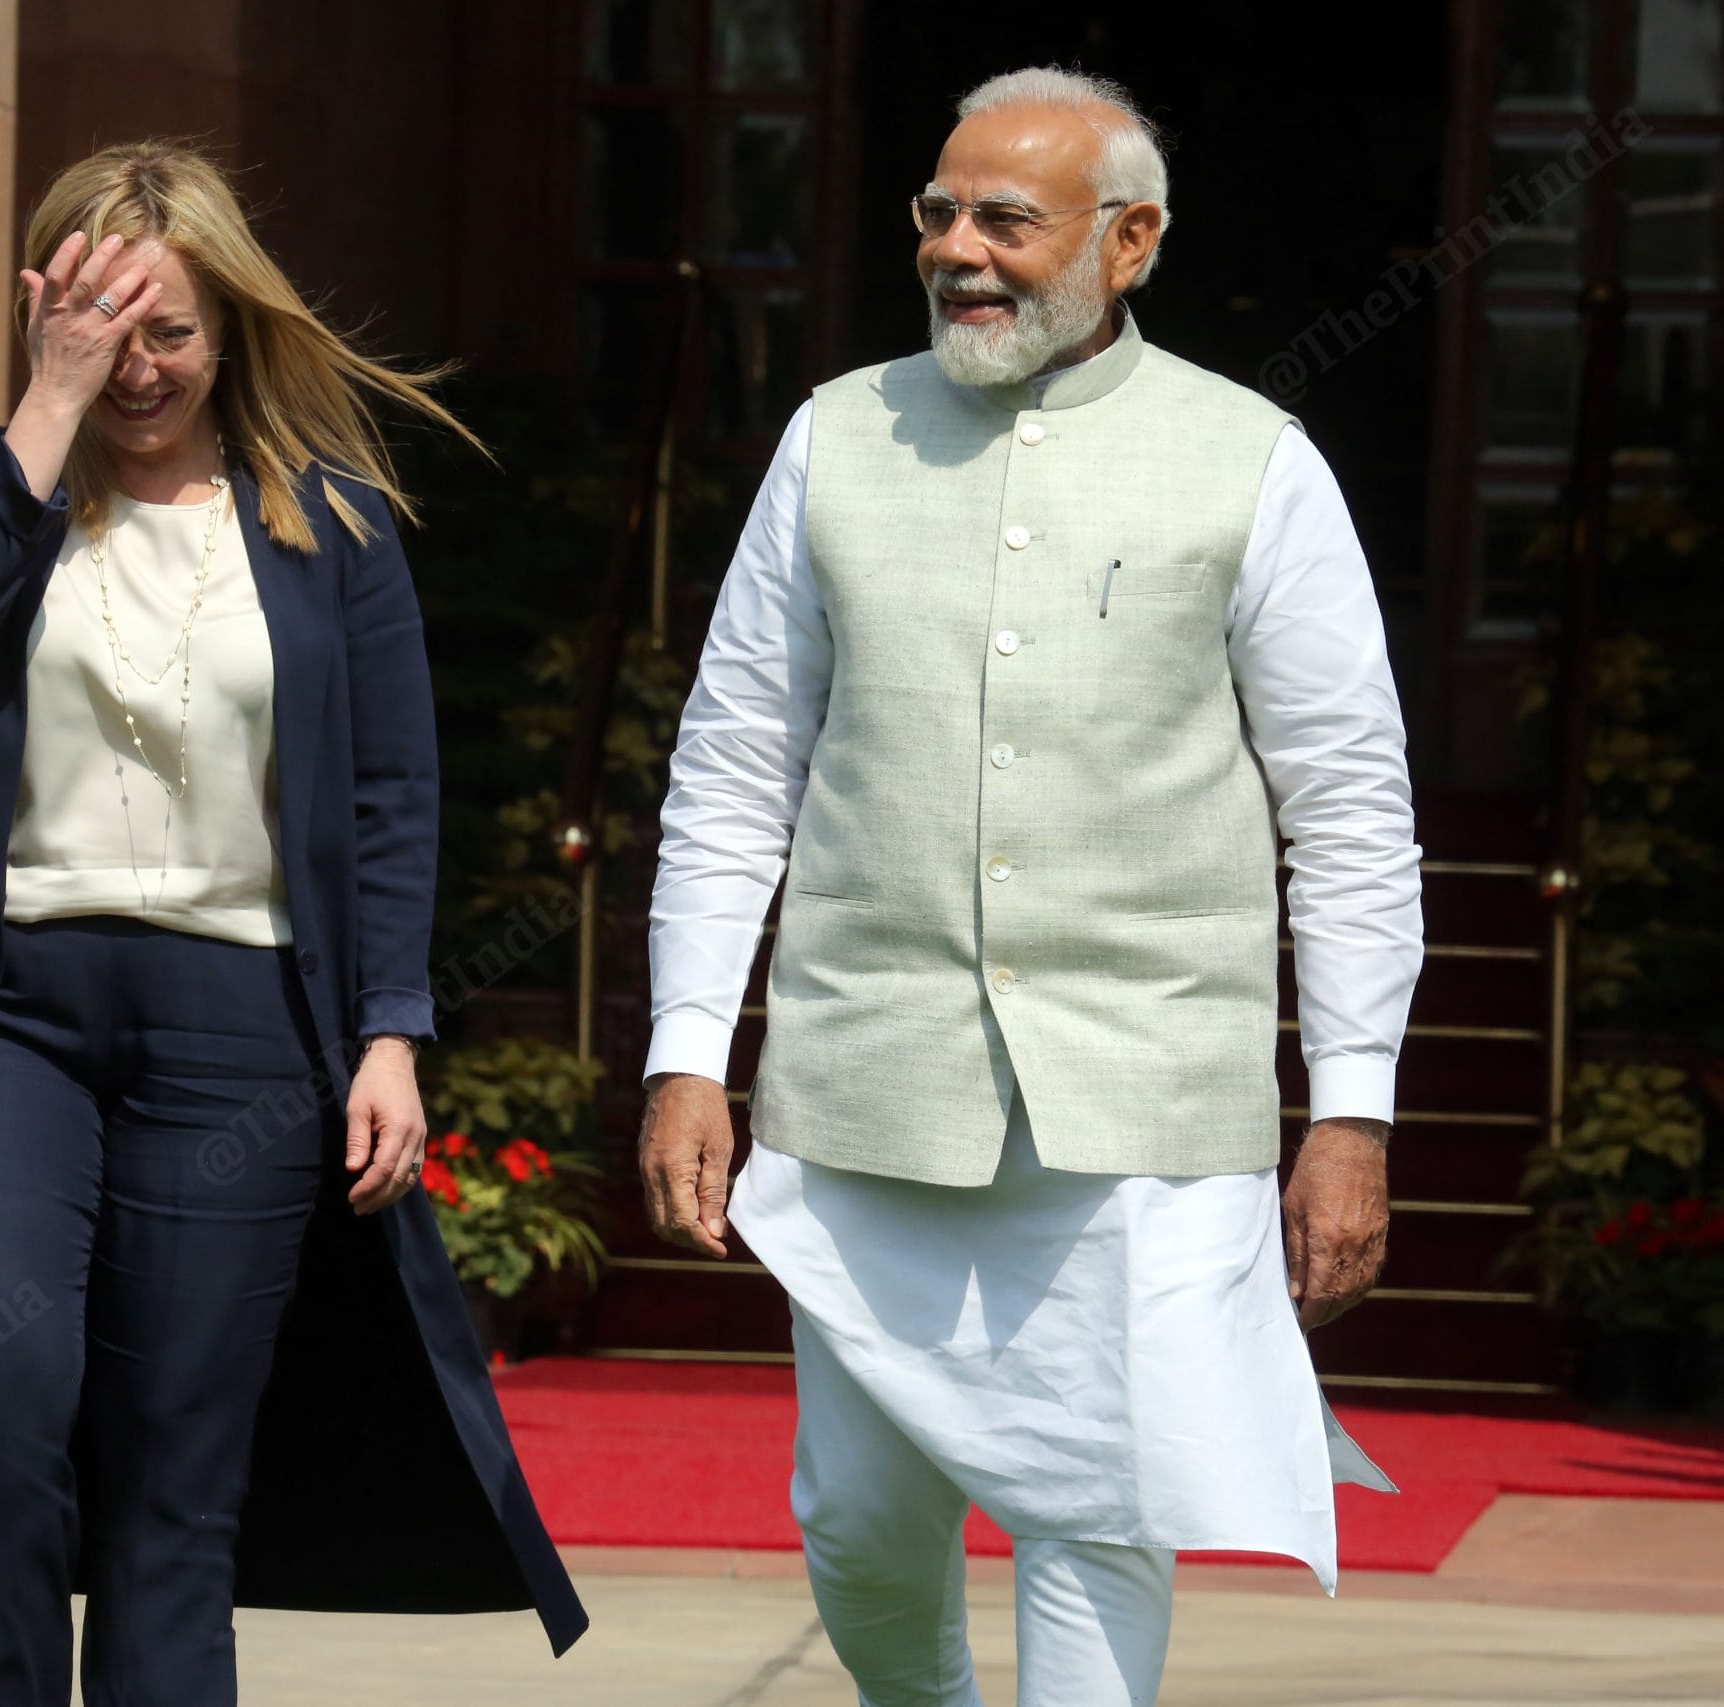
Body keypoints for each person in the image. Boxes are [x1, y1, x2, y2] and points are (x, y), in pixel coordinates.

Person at [639, 65, 1421, 1706]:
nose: (958, 250)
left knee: (1099, 1524)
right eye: (939, 212)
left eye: (1008, 219)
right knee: (859, 1528)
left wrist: (1351, 1112)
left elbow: (1349, 808)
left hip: (1144, 1108)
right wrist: (686, 1049)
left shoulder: (1253, 457)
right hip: (870, 1086)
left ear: (1130, 241)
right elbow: (733, 765)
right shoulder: (835, 436)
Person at [0, 140, 586, 1705]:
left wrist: (390, 1034)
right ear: (46, 319)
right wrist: (44, 405)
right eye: (101, 330)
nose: (139, 367)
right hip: (8, 1021)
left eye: (170, 331)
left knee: (173, 1479)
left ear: (233, 327)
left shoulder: (332, 525)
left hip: (241, 1040)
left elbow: (391, 795)